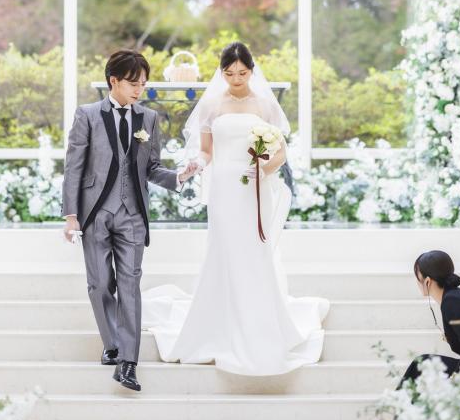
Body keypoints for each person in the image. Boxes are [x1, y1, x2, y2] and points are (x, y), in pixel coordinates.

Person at [143, 41, 328, 375]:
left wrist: (264, 169)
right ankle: (219, 324)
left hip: (255, 187)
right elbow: (206, 151)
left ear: (252, 71)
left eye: (242, 73)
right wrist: (196, 165)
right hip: (224, 187)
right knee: (224, 249)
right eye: (230, 74)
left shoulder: (265, 105)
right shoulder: (212, 104)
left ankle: (259, 322)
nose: (236, 79)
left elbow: (280, 153)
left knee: (254, 250)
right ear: (222, 72)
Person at [62, 49, 198, 392]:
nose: (140, 90)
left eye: (143, 84)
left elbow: (151, 167)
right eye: (133, 83)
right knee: (99, 284)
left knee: (130, 285)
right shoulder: (87, 115)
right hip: (95, 213)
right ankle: (112, 342)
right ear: (114, 81)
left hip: (133, 215)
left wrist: (179, 176)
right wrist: (71, 216)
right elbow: (74, 168)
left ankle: (128, 363)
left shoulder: (148, 119)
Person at [398, 250, 460, 387]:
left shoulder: (452, 301)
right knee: (422, 364)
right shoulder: (453, 297)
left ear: (427, 281)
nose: (417, 282)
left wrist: (456, 378)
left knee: (421, 365)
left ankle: (397, 401)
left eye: (418, 277)